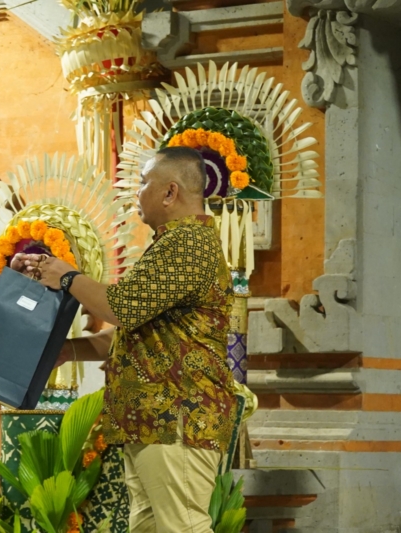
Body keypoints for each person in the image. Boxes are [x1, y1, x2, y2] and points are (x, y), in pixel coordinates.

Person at [19, 146, 238, 533]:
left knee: (183, 527)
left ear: (170, 192)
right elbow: (129, 334)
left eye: (142, 183)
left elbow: (122, 308)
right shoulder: (172, 244)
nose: (136, 193)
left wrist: (68, 277)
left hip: (177, 418)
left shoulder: (188, 243)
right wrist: (67, 351)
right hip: (153, 422)